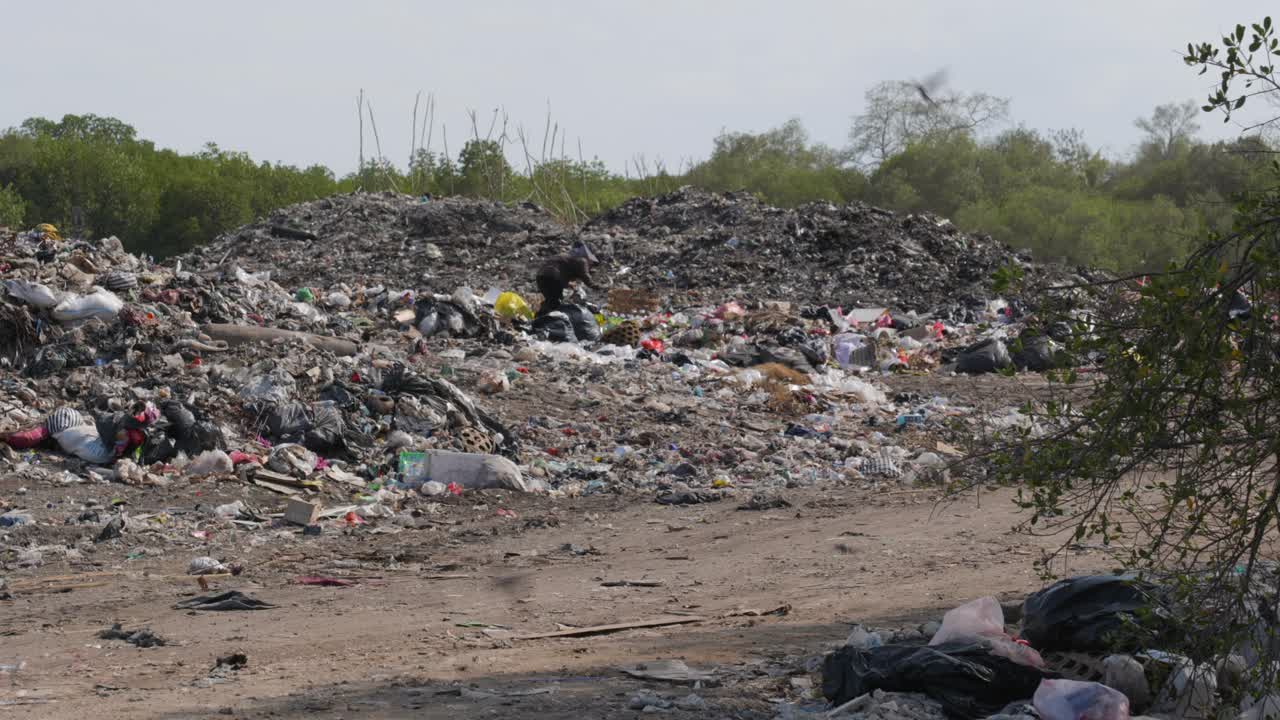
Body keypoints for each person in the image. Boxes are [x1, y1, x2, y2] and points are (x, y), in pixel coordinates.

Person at [535, 241, 598, 316]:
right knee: (554, 302)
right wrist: (595, 286)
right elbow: (585, 276)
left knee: (551, 300)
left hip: (541, 276)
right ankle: (544, 321)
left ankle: (539, 319)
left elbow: (563, 270)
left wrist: (567, 284)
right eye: (591, 261)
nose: (591, 264)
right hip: (553, 277)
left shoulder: (569, 255)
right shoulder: (582, 260)